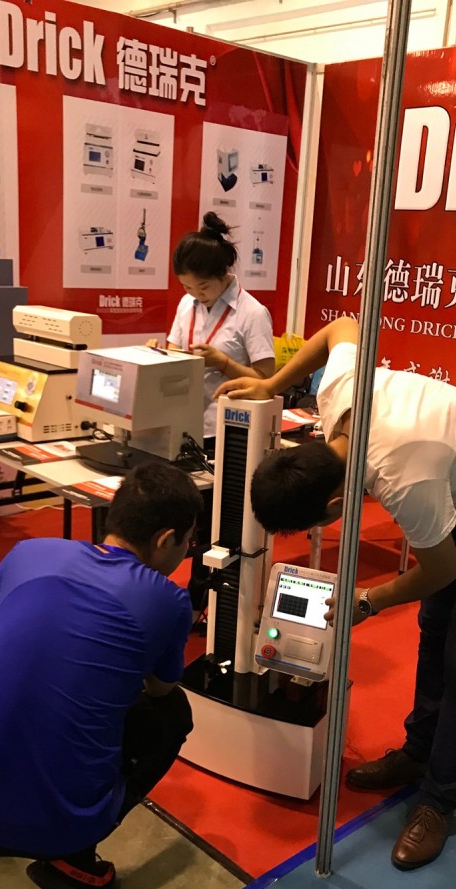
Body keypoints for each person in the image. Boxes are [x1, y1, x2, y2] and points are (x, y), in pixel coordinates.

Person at [216, 317, 456, 871]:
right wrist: (270, 385)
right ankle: (418, 754)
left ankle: (439, 801)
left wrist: (368, 601)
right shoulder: (337, 394)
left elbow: (441, 570)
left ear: (333, 509)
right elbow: (343, 327)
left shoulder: (403, 476)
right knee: (434, 629)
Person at [0, 463, 202, 889]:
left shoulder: (29, 553)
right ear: (166, 540)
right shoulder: (169, 600)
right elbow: (159, 690)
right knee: (174, 711)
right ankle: (75, 857)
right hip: (65, 827)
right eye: (188, 543)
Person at [149, 211, 275, 623]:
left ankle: (201, 603)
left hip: (227, 433)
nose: (195, 294)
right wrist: (159, 353)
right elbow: (176, 351)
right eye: (187, 286)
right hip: (184, 427)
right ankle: (162, 598)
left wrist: (222, 363)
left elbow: (267, 379)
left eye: (202, 286)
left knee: (214, 527)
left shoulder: (251, 313)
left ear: (224, 275)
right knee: (177, 517)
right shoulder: (187, 304)